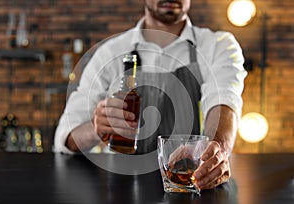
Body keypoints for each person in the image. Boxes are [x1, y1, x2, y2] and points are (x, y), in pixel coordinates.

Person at [54, 0, 247, 191]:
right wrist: (97, 128)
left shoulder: (218, 45)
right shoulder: (109, 53)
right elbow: (65, 138)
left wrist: (214, 149)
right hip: (120, 188)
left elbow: (223, 101)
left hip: (189, 182)